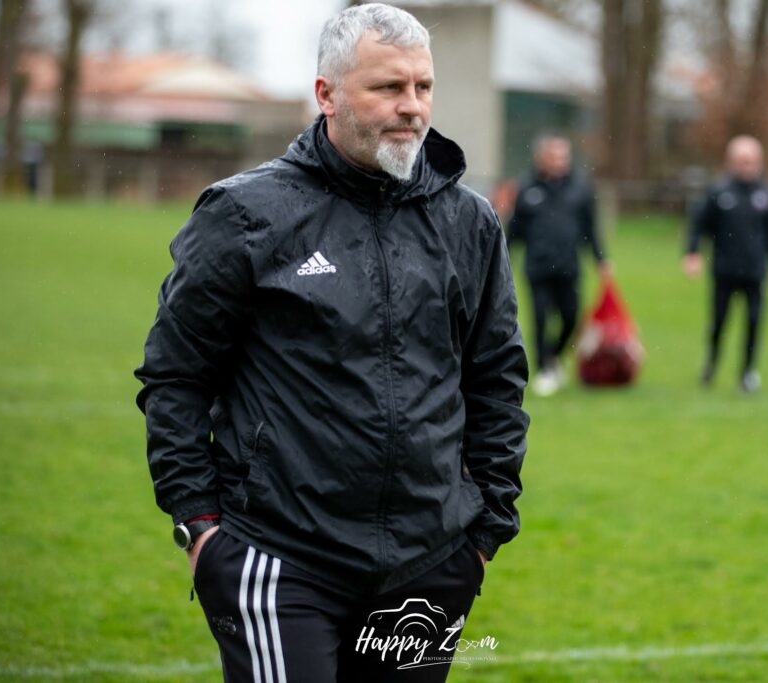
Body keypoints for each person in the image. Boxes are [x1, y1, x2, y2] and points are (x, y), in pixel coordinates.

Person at [134, 4, 529, 681]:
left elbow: (496, 377)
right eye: (387, 88)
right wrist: (201, 526)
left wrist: (484, 531)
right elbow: (175, 375)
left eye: (423, 86)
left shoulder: (470, 222)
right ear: (326, 94)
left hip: (429, 567)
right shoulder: (245, 214)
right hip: (282, 558)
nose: (412, 106)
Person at [684, 135, 768, 393]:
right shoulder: (719, 191)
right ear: (731, 161)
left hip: (755, 271)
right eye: (742, 160)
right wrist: (693, 253)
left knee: (754, 323)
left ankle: (748, 373)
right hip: (724, 269)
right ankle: (711, 365)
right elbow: (698, 224)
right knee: (719, 322)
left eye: (752, 161)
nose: (747, 166)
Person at [507, 133, 611, 396]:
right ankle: (544, 369)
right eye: (554, 156)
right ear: (541, 157)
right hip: (538, 267)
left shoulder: (580, 187)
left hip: (569, 266)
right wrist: (503, 258)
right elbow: (515, 229)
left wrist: (601, 259)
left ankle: (553, 357)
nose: (560, 161)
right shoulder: (526, 187)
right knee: (540, 318)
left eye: (564, 156)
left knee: (571, 319)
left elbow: (590, 228)